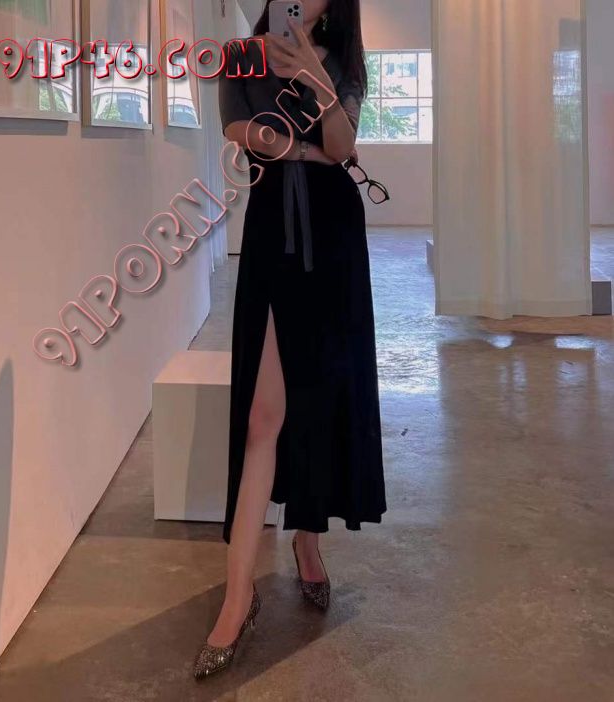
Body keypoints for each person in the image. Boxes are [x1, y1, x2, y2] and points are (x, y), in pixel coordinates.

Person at [193, 0, 387, 679]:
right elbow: (238, 130)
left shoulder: (344, 61)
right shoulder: (240, 56)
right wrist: (301, 148)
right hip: (274, 228)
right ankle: (238, 595)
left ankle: (308, 540)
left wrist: (317, 80)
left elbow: (343, 147)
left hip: (334, 237)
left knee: (323, 394)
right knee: (264, 416)